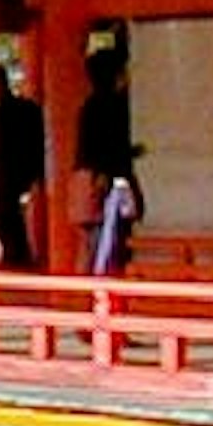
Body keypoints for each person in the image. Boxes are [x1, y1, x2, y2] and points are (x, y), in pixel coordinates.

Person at [71, 40, 142, 276]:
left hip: (90, 179)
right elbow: (110, 147)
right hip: (106, 181)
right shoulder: (113, 106)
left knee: (95, 242)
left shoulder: (89, 107)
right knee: (108, 240)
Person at [0, 63, 47, 267]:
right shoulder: (23, 108)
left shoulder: (7, 110)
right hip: (10, 168)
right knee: (8, 215)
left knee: (8, 214)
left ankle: (18, 255)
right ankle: (17, 253)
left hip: (12, 168)